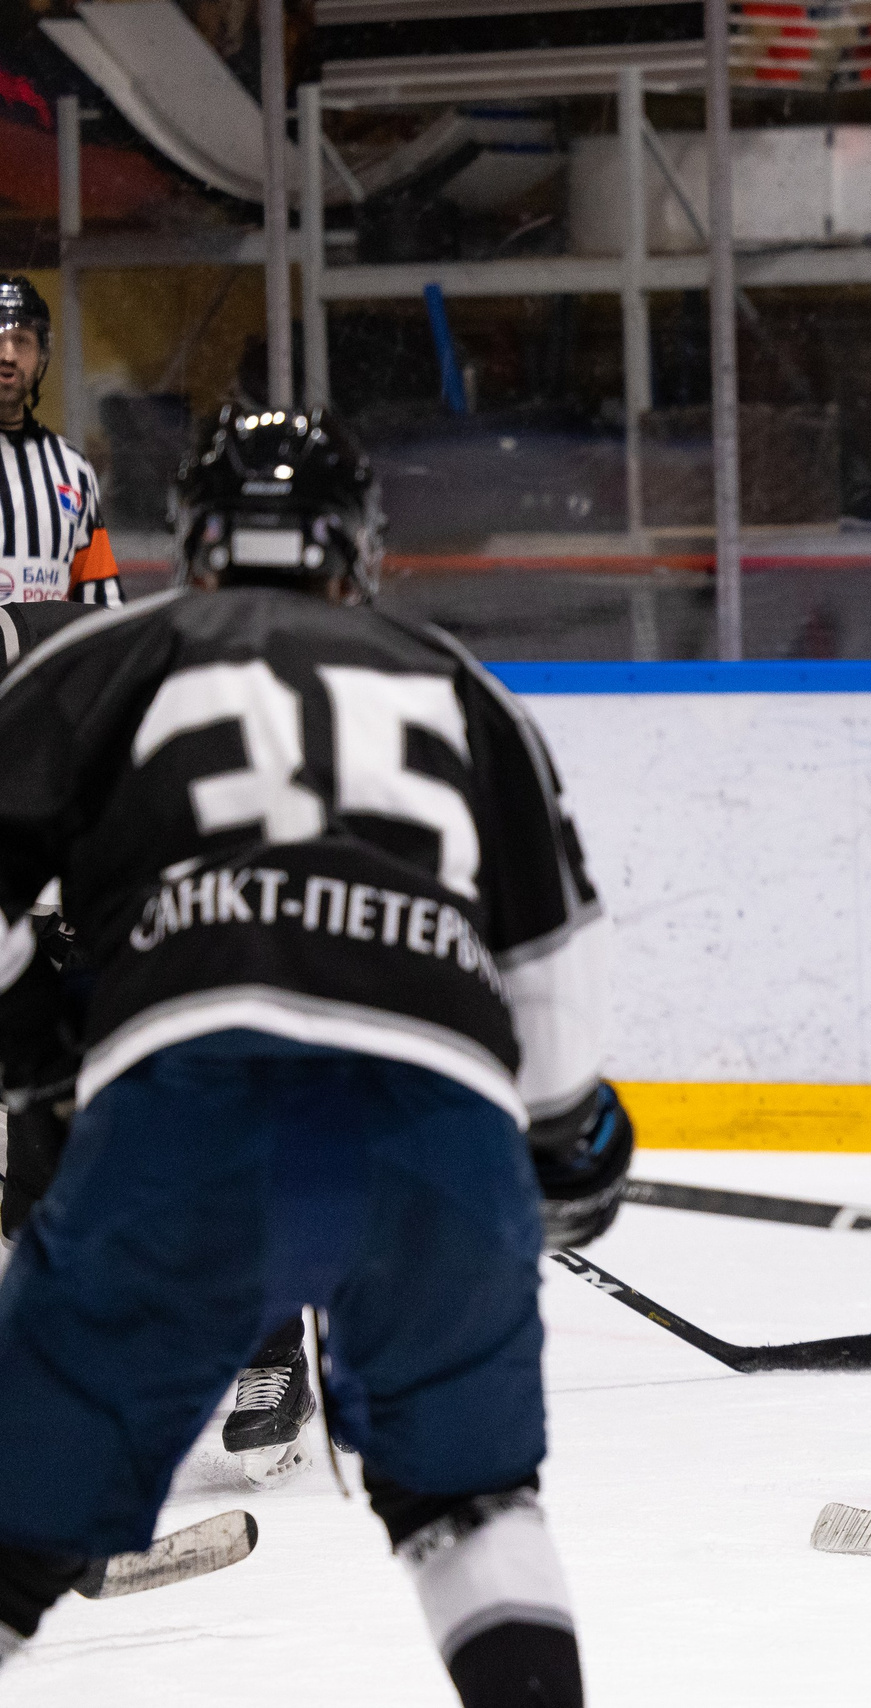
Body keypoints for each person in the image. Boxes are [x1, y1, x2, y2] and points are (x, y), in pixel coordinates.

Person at [0, 405, 627, 1704]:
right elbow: (549, 964)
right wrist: (569, 1142)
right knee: (475, 1511)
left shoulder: (114, 655)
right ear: (357, 548)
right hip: (435, 1111)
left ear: (203, 541)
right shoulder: (461, 683)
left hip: (187, 1099)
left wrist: (38, 1069)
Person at [0, 277, 123, 607]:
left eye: (22, 341)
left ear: (42, 356)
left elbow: (100, 604)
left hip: (49, 660)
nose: (7, 355)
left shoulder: (73, 470)